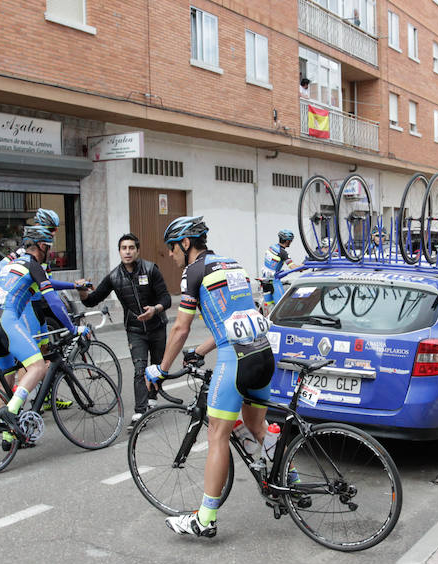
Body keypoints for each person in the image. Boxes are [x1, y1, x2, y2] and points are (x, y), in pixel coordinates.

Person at [146, 216, 275, 538]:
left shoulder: (194, 271)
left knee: (216, 434)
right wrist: (202, 350)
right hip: (262, 353)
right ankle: (293, 481)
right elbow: (239, 317)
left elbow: (180, 327)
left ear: (186, 244)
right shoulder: (233, 265)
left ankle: (204, 518)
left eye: (172, 249)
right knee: (257, 426)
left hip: (237, 361)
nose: (172, 256)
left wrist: (161, 370)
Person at [0, 226, 87, 443]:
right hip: (7, 320)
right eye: (48, 247)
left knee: (6, 378)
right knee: (38, 366)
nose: (49, 251)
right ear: (42, 246)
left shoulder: (9, 266)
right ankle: (11, 410)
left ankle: (8, 437)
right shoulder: (34, 265)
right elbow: (53, 301)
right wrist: (73, 328)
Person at [77, 233, 171, 427]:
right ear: (119, 251)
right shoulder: (114, 276)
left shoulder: (151, 269)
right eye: (123, 248)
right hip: (135, 330)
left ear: (137, 250)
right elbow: (91, 300)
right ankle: (140, 412)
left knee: (157, 366)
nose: (127, 252)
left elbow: (166, 299)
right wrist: (81, 291)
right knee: (139, 369)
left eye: (131, 248)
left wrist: (155, 310)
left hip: (157, 327)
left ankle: (152, 398)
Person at [260, 229, 299, 311]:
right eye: (291, 241)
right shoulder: (283, 253)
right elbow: (293, 268)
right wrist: (303, 266)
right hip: (274, 281)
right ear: (288, 241)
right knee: (280, 306)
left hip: (264, 279)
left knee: (269, 307)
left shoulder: (271, 247)